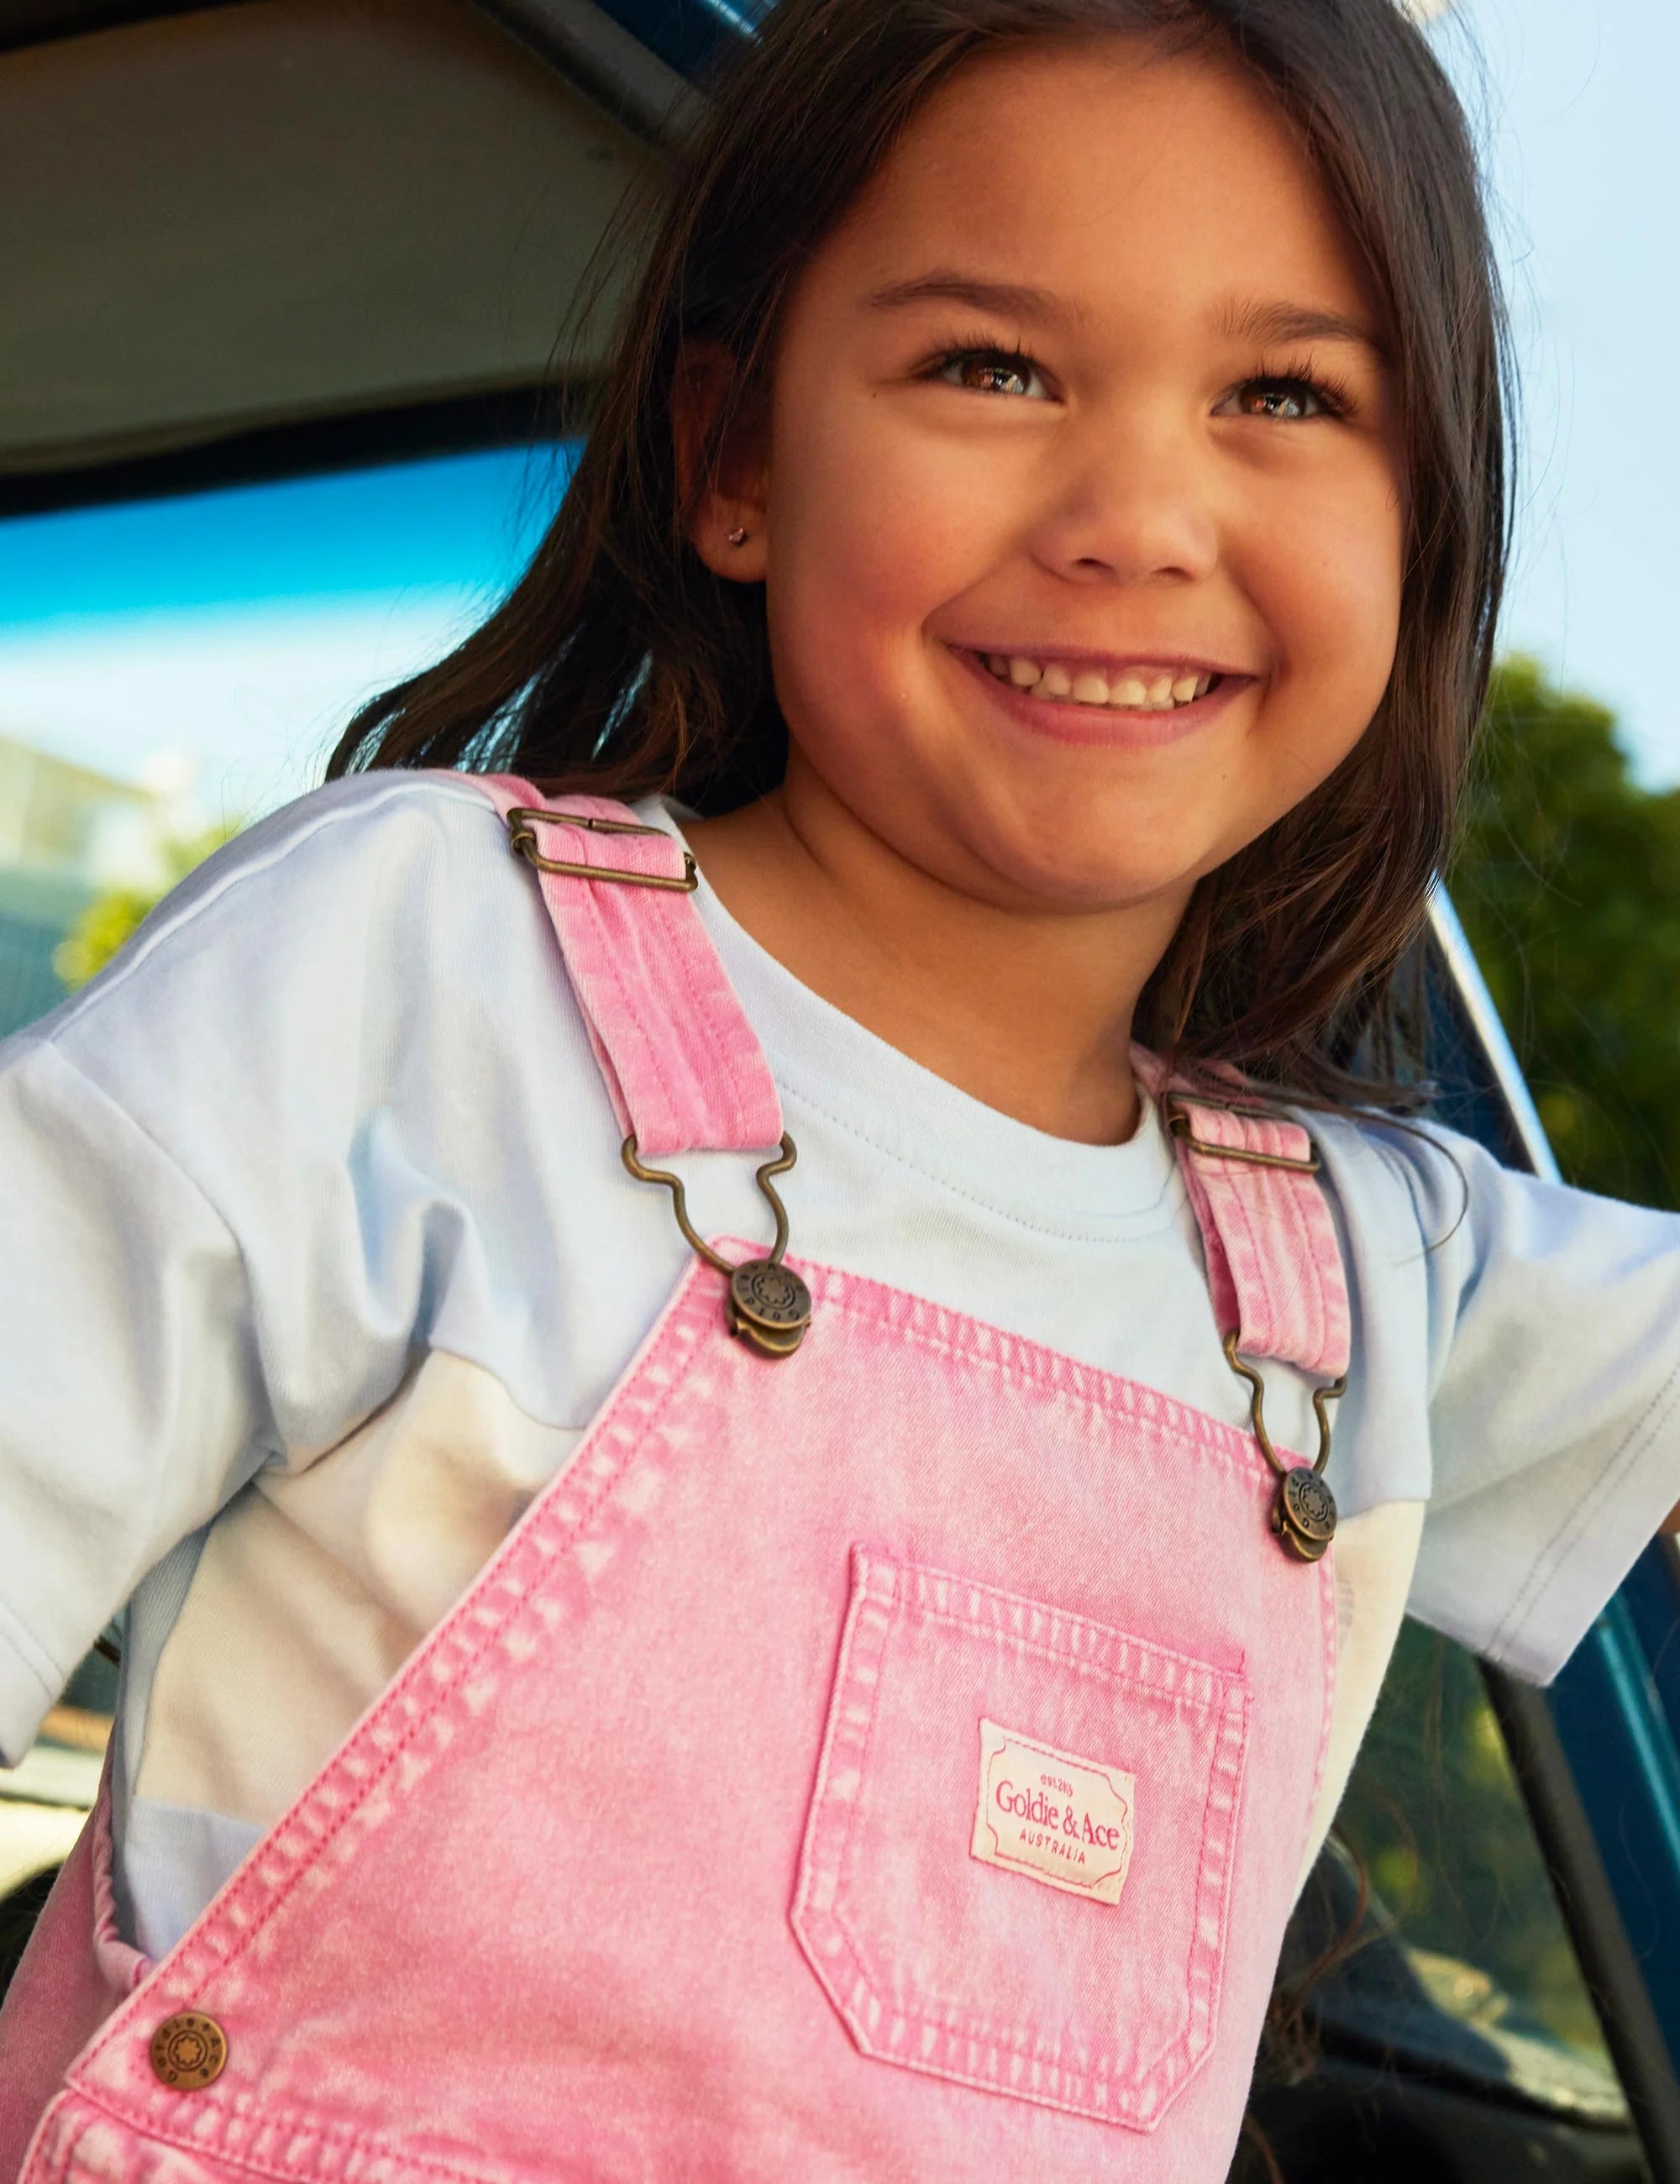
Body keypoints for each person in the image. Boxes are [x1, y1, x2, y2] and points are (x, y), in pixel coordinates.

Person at [2, 0, 1677, 2176]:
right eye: (993, 367)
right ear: (737, 463)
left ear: (1424, 520)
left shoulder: (1372, 1270)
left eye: (1284, 393)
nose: (1135, 513)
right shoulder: (409, 979)